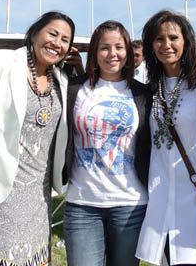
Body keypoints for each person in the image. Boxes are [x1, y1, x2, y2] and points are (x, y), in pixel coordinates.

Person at [0, 11, 80, 266]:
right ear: (34, 33)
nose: (57, 43)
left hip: (38, 200)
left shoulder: (61, 81)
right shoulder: (0, 62)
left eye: (65, 39)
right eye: (52, 34)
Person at [136, 10, 196, 266]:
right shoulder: (150, 86)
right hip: (161, 194)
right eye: (159, 39)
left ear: (186, 41)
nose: (166, 45)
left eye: (173, 37)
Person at [63, 21, 151, 266]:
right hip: (82, 204)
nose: (112, 54)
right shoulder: (74, 89)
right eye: (104, 48)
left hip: (130, 205)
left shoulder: (144, 94)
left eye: (119, 47)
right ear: (93, 52)